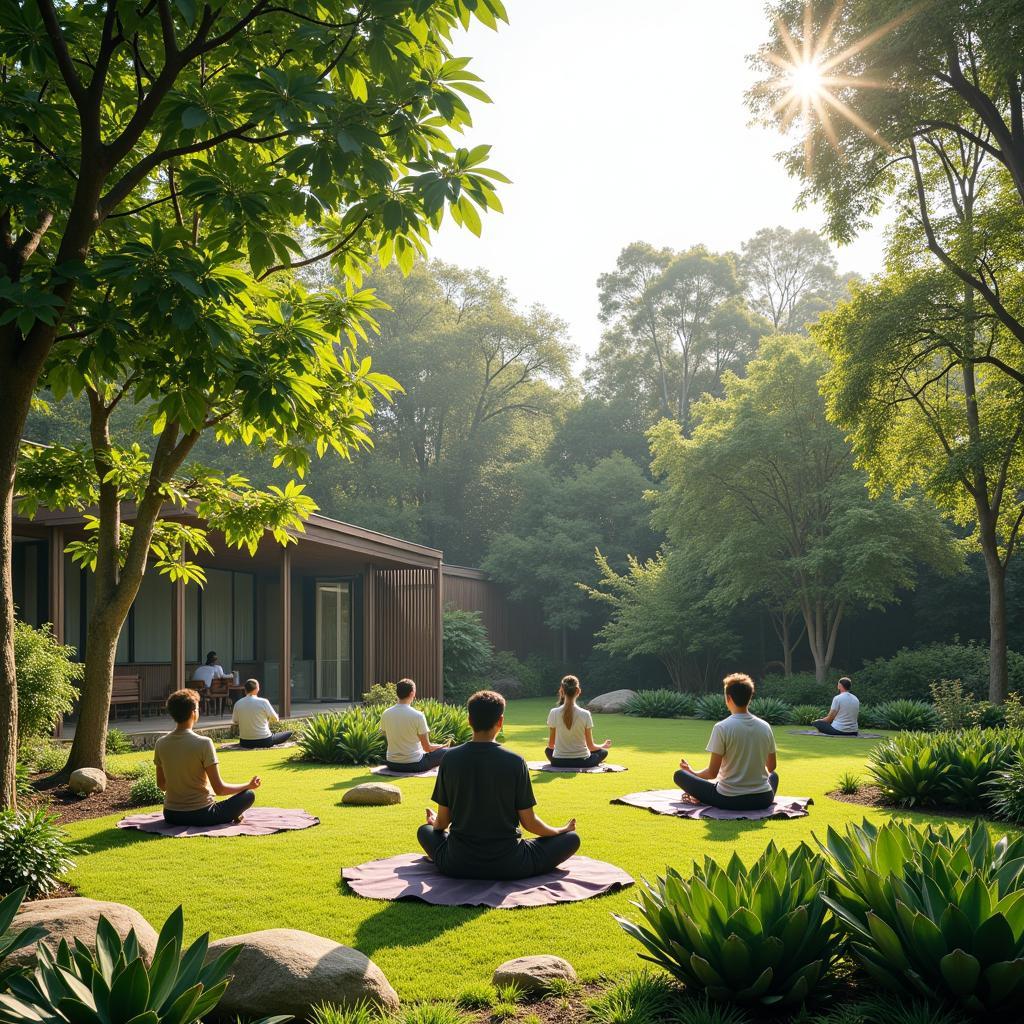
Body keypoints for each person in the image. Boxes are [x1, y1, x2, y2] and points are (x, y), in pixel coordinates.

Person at [417, 690, 580, 879]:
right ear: (500, 722)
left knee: (425, 831)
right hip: (510, 864)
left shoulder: (449, 759)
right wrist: (560, 830)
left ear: (469, 720)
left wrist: (434, 822)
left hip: (457, 862)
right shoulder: (515, 761)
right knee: (571, 839)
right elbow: (529, 823)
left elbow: (443, 823)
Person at [673, 673, 779, 811]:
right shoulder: (765, 726)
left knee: (679, 775)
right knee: (774, 776)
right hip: (763, 799)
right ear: (750, 698)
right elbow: (771, 767)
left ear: (728, 698)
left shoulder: (722, 727)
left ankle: (701, 796)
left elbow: (712, 774)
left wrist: (692, 773)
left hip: (729, 799)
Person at [154, 689, 261, 826]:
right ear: (194, 712)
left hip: (171, 814)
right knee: (248, 795)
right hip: (201, 814)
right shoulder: (204, 743)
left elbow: (162, 785)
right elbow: (220, 789)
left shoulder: (161, 743)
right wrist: (248, 785)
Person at [380, 678, 451, 772]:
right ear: (412, 693)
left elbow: (385, 735)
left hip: (392, 763)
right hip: (414, 764)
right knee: (449, 752)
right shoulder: (418, 715)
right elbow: (427, 748)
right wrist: (441, 746)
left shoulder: (386, 713)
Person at [545, 675, 612, 768]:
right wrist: (603, 745)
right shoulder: (585, 714)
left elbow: (551, 745)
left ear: (561, 691)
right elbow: (591, 747)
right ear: (578, 691)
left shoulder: (553, 712)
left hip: (558, 761)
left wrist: (564, 750)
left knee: (547, 750)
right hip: (582, 761)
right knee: (603, 752)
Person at [232, 678, 293, 748]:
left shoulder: (238, 703)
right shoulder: (263, 702)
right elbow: (276, 719)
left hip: (245, 742)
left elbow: (235, 721)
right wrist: (268, 720)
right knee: (289, 733)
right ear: (257, 689)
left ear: (245, 690)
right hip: (264, 741)